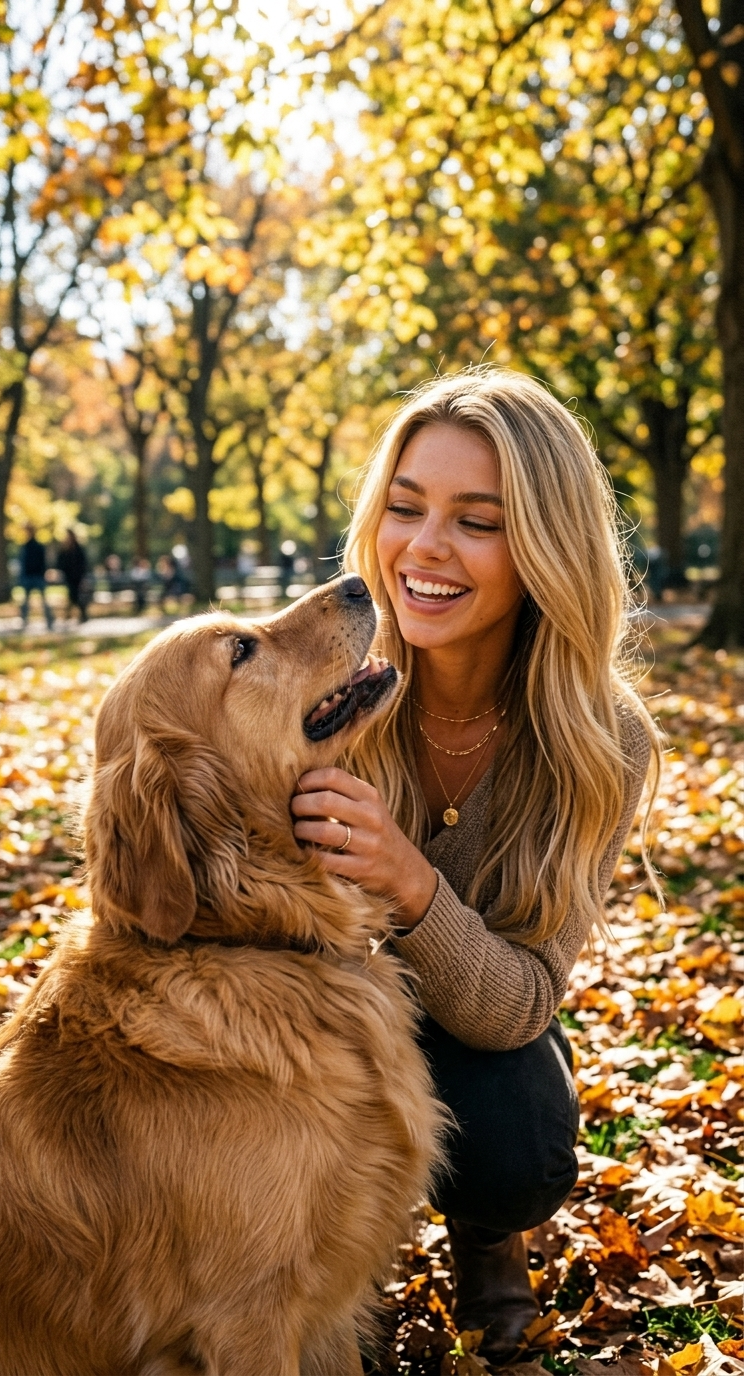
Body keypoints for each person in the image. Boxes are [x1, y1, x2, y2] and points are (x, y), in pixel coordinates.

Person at [290, 368, 660, 1363]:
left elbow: (525, 999)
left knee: (517, 1140)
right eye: (405, 506)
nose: (425, 548)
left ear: (547, 545)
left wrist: (412, 882)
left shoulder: (599, 737)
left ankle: (488, 1235)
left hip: (476, 1029)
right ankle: (327, 1255)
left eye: (478, 520)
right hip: (307, 1020)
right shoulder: (320, 678)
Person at [18, 525, 54, 630]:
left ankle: (49, 621)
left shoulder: (37, 546)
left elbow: (43, 562)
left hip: (37, 576)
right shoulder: (25, 547)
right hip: (29, 576)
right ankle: (24, 620)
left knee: (43, 600)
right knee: (26, 601)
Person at [57, 529, 89, 623]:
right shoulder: (65, 549)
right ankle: (73, 615)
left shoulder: (78, 549)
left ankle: (78, 615)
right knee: (73, 596)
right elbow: (61, 562)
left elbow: (83, 564)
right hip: (69, 577)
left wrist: (83, 577)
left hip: (78, 577)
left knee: (76, 596)